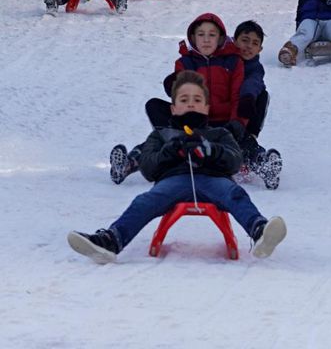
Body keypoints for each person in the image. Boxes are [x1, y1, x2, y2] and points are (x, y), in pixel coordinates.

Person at [69, 71, 287, 264]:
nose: (191, 104)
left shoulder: (219, 133)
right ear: (173, 108)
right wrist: (170, 151)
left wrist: (211, 151)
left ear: (207, 107)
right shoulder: (161, 135)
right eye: (184, 99)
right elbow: (148, 168)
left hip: (214, 180)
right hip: (174, 181)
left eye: (197, 99)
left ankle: (259, 231)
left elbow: (235, 160)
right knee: (144, 201)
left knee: (235, 194)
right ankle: (111, 240)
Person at [110, 13, 245, 185]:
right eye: (201, 35)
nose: (206, 40)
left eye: (212, 35)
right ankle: (129, 163)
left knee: (240, 142)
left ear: (220, 39)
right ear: (193, 38)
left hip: (222, 124)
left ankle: (263, 163)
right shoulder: (185, 62)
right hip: (191, 121)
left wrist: (237, 121)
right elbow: (180, 95)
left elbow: (237, 95)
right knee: (159, 117)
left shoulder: (233, 62)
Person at [232, 20, 283, 189]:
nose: (249, 46)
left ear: (260, 49)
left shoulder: (255, 68)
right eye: (245, 40)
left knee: (262, 95)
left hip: (241, 121)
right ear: (234, 40)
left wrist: (247, 96)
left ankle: (264, 164)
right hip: (221, 118)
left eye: (255, 43)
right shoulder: (225, 62)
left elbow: (253, 83)